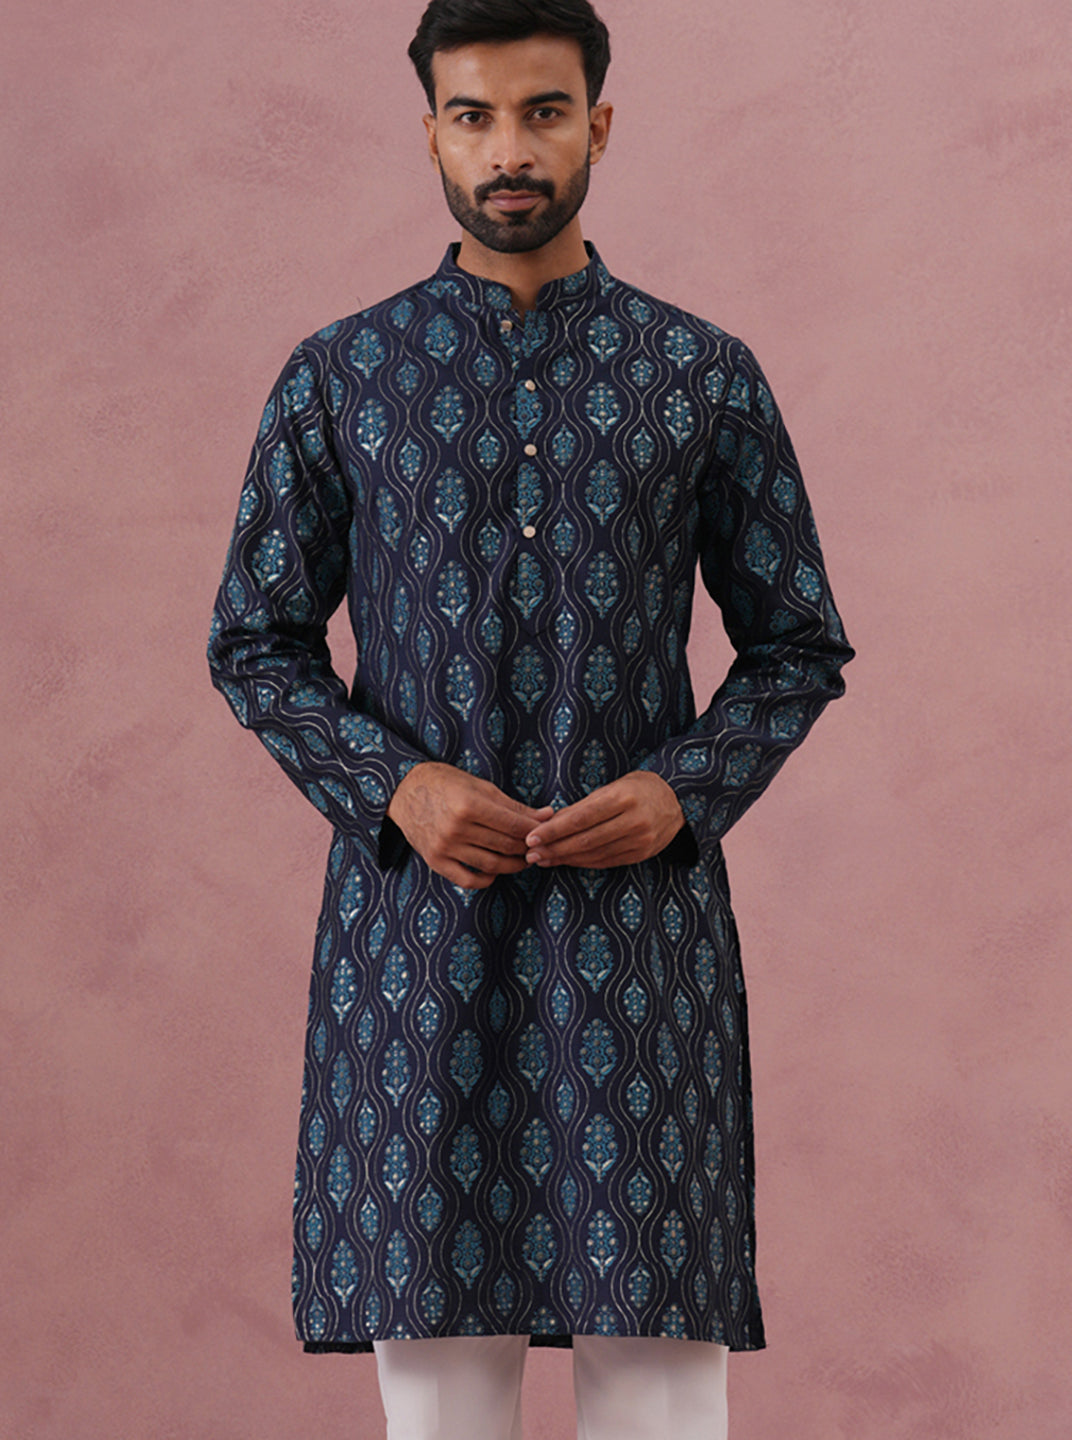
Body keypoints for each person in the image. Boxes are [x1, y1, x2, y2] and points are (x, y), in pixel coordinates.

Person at [207, 2, 854, 1435]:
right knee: (442, 1407)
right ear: (431, 132)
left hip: (639, 956)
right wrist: (394, 785)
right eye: (476, 115)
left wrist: (686, 789)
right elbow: (253, 639)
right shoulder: (342, 376)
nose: (510, 149)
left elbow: (798, 643)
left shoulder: (699, 374)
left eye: (544, 112)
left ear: (598, 125)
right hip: (415, 955)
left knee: (661, 1399)